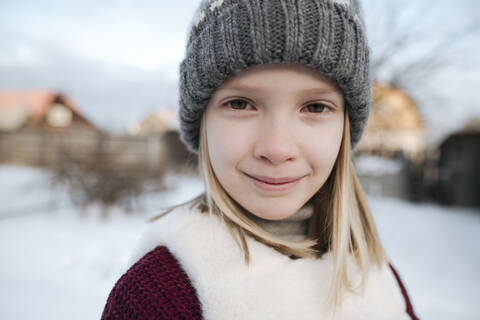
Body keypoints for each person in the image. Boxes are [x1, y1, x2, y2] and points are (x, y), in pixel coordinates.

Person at [101, 0, 419, 319]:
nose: (277, 148)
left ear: (345, 127)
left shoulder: (379, 280)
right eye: (240, 104)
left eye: (315, 107)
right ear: (203, 123)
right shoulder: (157, 299)